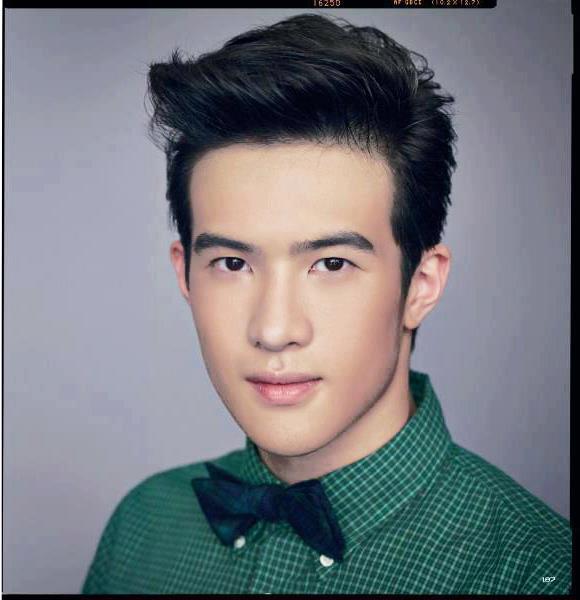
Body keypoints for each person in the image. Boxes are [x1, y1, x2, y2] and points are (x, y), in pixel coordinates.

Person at [81, 13, 571, 595]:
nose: (274, 329)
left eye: (332, 264)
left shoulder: (536, 571)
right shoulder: (142, 527)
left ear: (421, 285)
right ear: (184, 274)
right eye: (232, 264)